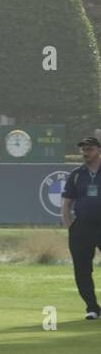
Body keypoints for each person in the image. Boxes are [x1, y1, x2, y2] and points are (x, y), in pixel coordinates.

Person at [62, 137, 101, 320]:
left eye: (90, 149)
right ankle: (92, 307)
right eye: (83, 150)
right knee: (82, 269)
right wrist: (70, 225)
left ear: (98, 150)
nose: (86, 153)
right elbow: (67, 202)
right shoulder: (77, 174)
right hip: (82, 228)